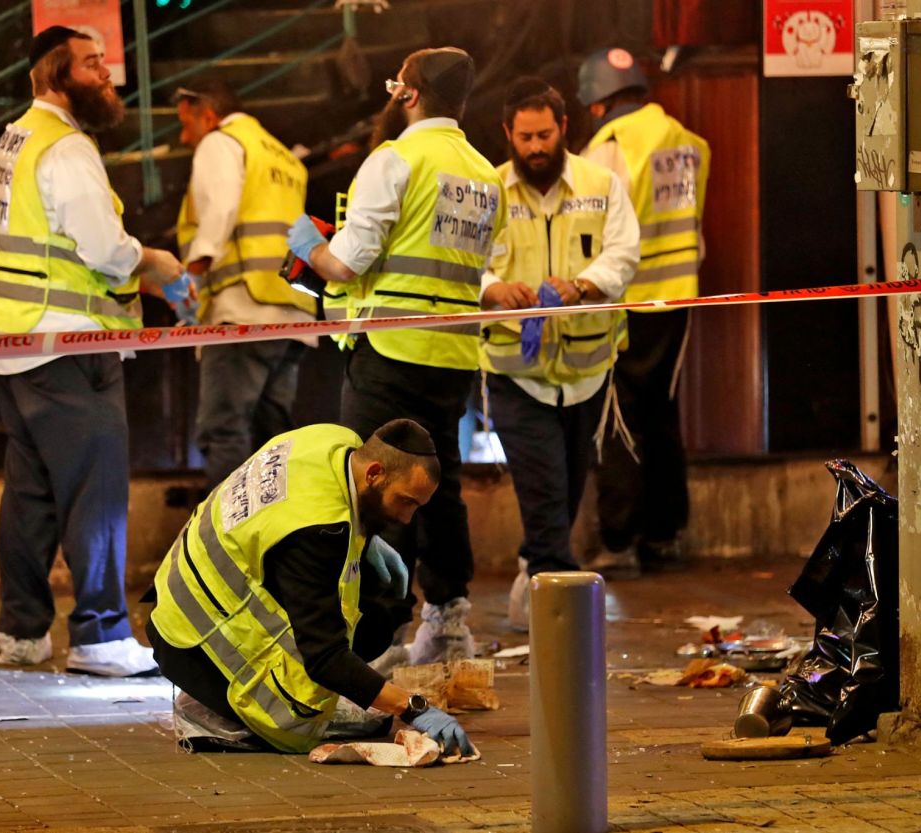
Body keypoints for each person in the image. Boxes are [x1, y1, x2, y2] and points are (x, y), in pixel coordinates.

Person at [0, 26, 190, 676]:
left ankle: (20, 632)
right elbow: (101, 248)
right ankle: (100, 634)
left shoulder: (17, 138)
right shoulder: (66, 148)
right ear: (52, 74)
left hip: (16, 343)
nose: (107, 75)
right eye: (92, 64)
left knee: (30, 496)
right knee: (95, 492)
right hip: (70, 343)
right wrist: (154, 261)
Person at [286, 47, 505, 667]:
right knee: (442, 485)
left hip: (390, 347)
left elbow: (349, 263)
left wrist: (309, 246)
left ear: (408, 94)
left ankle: (374, 635)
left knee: (375, 487)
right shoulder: (486, 174)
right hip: (455, 352)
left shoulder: (395, 159)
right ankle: (448, 623)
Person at [148, 418, 476, 756]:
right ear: (374, 473)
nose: (408, 519)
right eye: (406, 501)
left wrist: (368, 541)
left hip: (181, 599)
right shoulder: (318, 531)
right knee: (309, 719)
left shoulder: (336, 442)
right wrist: (413, 707)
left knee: (378, 607)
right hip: (194, 642)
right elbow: (325, 656)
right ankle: (220, 712)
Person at [479, 78, 639, 629]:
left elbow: (624, 254)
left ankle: (535, 568)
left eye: (544, 134)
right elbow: (464, 263)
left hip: (588, 369)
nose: (535, 147)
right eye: (524, 137)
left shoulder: (601, 183)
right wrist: (493, 290)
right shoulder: (490, 190)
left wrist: (583, 286)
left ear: (564, 127)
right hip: (513, 370)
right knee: (542, 479)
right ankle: (559, 615)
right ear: (507, 134)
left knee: (569, 484)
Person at [578, 47, 709, 576]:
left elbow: (591, 233)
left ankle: (619, 538)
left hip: (623, 301)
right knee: (660, 409)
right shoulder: (685, 140)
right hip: (678, 296)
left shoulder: (607, 148)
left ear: (596, 103)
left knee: (616, 417)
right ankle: (664, 533)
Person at [174, 79, 317, 489]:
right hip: (293, 314)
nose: (185, 138)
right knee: (271, 441)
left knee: (224, 430)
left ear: (209, 115)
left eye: (187, 125)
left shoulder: (221, 143)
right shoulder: (285, 158)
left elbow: (220, 210)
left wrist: (191, 279)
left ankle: (225, 543)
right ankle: (272, 541)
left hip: (243, 309)